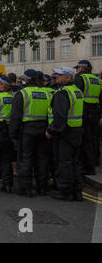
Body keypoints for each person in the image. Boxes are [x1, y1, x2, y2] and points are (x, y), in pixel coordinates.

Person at [9, 69, 51, 197]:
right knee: (42, 159)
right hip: (44, 129)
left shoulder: (23, 93)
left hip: (27, 130)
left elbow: (15, 116)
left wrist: (13, 134)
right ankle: (42, 187)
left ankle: (25, 188)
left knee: (26, 158)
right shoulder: (48, 93)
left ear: (28, 80)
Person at [46, 67, 84, 201]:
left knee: (64, 163)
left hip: (65, 133)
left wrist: (51, 131)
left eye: (60, 75)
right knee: (75, 162)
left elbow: (60, 117)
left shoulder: (62, 93)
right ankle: (77, 191)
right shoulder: (77, 91)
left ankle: (65, 191)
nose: (56, 76)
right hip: (76, 131)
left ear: (68, 78)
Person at [74, 60, 101, 174]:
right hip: (96, 111)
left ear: (82, 68)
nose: (76, 70)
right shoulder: (98, 80)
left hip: (84, 111)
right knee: (94, 137)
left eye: (77, 68)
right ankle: (95, 160)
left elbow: (77, 96)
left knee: (85, 138)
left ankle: (88, 165)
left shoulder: (81, 78)